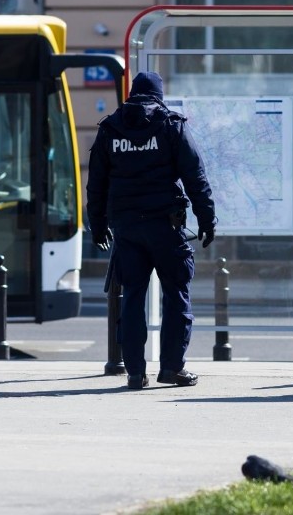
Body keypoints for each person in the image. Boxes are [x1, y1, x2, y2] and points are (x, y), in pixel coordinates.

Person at [86, 71, 216, 390]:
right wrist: (206, 219)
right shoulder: (171, 125)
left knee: (132, 297)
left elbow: (96, 184)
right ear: (159, 94)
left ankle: (134, 372)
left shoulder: (110, 129)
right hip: (165, 226)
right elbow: (195, 177)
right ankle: (172, 368)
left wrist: (98, 225)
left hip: (127, 228)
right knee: (176, 294)